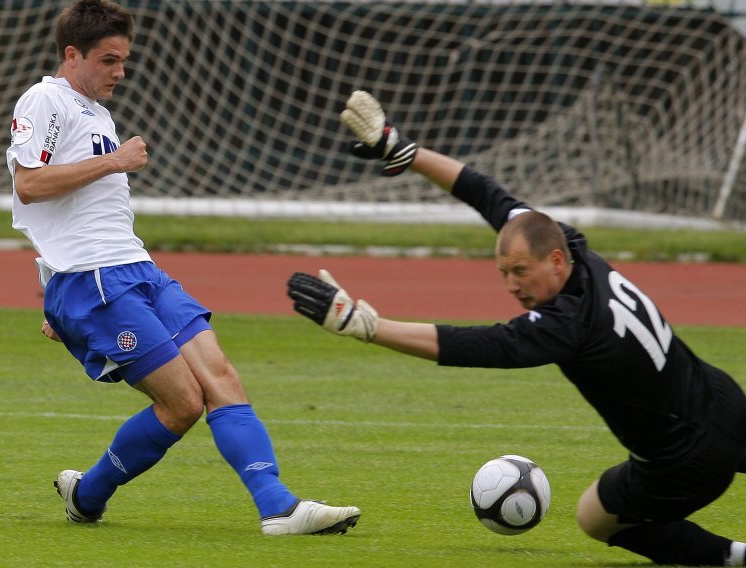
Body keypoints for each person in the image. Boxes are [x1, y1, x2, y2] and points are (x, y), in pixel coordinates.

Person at [287, 90, 746, 564]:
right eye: (503, 272)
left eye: (520, 272)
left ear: (553, 261)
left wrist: (366, 326)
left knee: (594, 517)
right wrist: (400, 148)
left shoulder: (566, 326)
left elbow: (472, 345)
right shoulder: (572, 245)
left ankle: (733, 556)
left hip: (686, 458)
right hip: (724, 399)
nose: (511, 284)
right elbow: (484, 192)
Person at [5, 0, 360, 536]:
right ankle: (90, 493)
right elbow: (28, 186)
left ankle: (278, 506)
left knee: (222, 377)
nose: (120, 71)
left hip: (136, 268)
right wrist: (115, 162)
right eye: (108, 60)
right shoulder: (46, 98)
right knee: (183, 403)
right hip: (93, 281)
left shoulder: (96, 111)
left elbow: (77, 217)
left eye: (124, 60)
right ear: (72, 54)